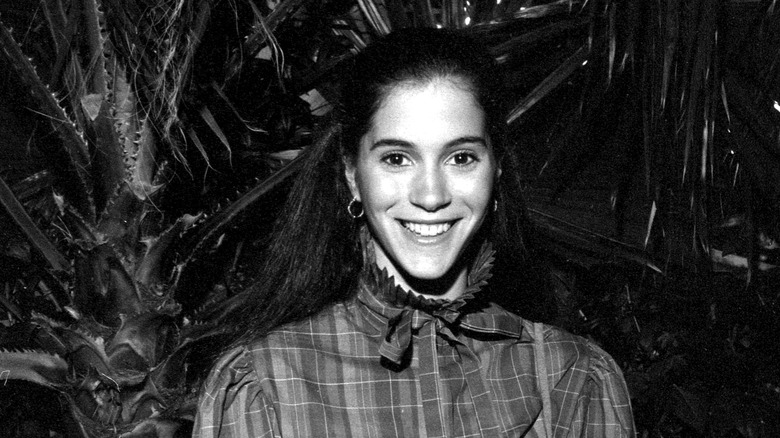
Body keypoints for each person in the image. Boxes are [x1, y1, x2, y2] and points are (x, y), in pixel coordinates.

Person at [194, 27, 635, 437]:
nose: (430, 196)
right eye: (397, 159)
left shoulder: (570, 378)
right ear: (351, 173)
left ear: (496, 169)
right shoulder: (265, 384)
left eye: (460, 157)